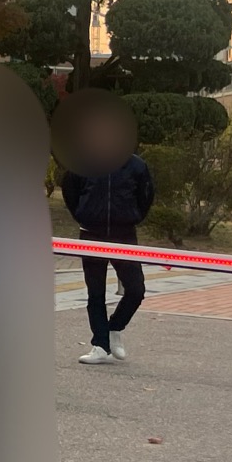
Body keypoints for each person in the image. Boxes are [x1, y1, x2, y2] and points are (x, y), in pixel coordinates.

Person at [61, 144, 155, 365]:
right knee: (95, 293)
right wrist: (85, 216)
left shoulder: (136, 165)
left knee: (136, 290)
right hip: (91, 234)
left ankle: (114, 327)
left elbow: (146, 196)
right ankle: (100, 345)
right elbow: (70, 193)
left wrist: (131, 217)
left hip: (124, 236)